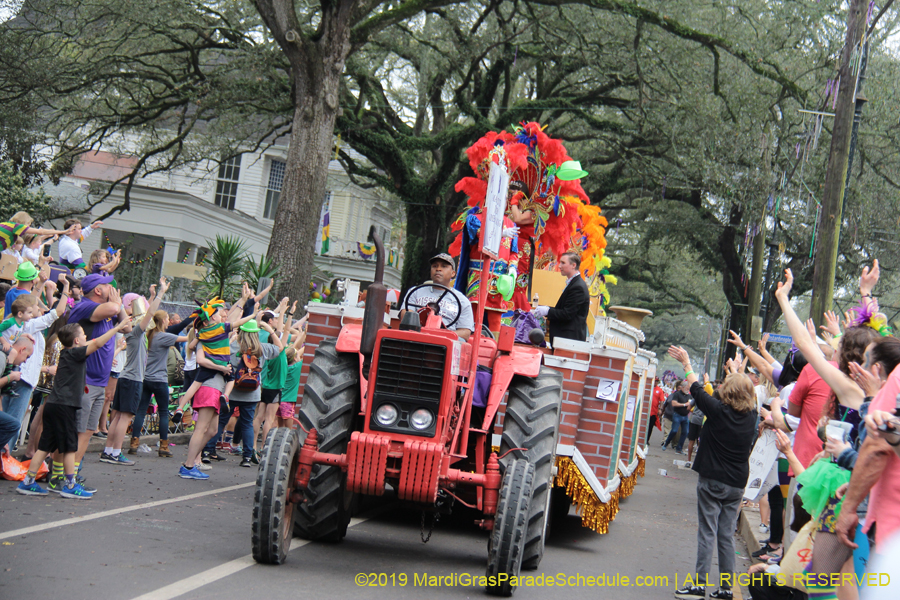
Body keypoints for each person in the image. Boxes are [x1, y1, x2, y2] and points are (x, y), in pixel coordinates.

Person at [669, 346, 758, 600]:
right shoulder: (751, 416)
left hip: (713, 481)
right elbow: (742, 390)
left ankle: (698, 584)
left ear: (725, 392)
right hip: (736, 484)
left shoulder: (718, 412)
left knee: (707, 531)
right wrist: (737, 370)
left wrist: (687, 363)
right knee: (726, 535)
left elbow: (696, 388)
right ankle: (727, 588)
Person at [16, 319, 128, 498]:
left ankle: (28, 481)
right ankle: (70, 485)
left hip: (53, 404)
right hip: (64, 406)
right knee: (69, 447)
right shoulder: (76, 353)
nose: (86, 336)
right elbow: (98, 343)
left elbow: (93, 342)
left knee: (44, 447)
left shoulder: (67, 352)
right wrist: (116, 328)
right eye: (83, 334)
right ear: (76, 341)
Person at [65, 271, 131, 493]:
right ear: (98, 290)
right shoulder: (84, 306)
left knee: (87, 431)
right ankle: (62, 477)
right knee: (75, 431)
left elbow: (128, 327)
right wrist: (117, 302)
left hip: (99, 382)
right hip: (83, 379)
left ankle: (73, 474)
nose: (113, 288)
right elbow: (114, 309)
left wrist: (118, 304)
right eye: (108, 286)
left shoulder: (107, 311)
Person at [102, 280, 169, 465]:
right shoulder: (137, 333)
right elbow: (150, 313)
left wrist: (119, 304)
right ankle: (115, 452)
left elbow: (139, 313)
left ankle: (109, 451)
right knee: (125, 417)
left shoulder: (132, 333)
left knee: (117, 417)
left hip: (126, 377)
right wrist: (161, 294)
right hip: (133, 379)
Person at [0, 277, 68, 446]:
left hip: (19, 376)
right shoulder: (30, 324)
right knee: (13, 420)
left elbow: (31, 299)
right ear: (26, 312)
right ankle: (5, 457)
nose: (40, 309)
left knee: (7, 417)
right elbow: (57, 313)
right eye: (36, 307)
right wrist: (66, 287)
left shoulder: (23, 324)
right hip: (21, 378)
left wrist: (40, 284)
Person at [133, 309, 188, 458]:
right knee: (163, 412)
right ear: (163, 321)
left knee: (141, 410)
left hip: (146, 378)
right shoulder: (163, 336)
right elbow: (184, 339)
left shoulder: (149, 335)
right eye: (166, 319)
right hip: (159, 379)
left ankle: (134, 442)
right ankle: (164, 445)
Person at [399, 253, 474, 340]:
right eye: (435, 266)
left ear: (453, 273)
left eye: (444, 266)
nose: (438, 269)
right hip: (416, 336)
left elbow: (465, 332)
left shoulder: (462, 301)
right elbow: (405, 314)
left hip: (445, 341)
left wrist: (441, 335)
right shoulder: (415, 292)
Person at [532, 252, 590, 346]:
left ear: (573, 265)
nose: (559, 266)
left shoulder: (578, 286)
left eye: (563, 263)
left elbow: (567, 314)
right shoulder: (574, 283)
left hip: (569, 340)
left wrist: (548, 311)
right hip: (565, 339)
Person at [1, 211, 72, 253]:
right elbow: (40, 232)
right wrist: (64, 231)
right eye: (28, 223)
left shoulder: (7, 225)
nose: (28, 226)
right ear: (23, 221)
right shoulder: (17, 227)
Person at [663, 379, 692, 453]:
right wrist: (684, 404)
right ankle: (666, 442)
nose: (687, 390)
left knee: (685, 432)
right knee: (674, 430)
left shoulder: (689, 396)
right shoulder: (677, 394)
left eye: (688, 389)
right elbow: (674, 403)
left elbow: (690, 405)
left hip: (685, 416)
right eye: (686, 388)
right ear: (683, 387)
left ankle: (679, 448)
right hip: (677, 415)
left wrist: (690, 407)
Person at [647, 377, 666, 445]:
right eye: (654, 381)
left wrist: (660, 409)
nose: (655, 382)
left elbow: (661, 401)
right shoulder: (648, 387)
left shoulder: (659, 390)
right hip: (646, 410)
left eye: (657, 381)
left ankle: (647, 439)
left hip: (654, 411)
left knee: (650, 426)